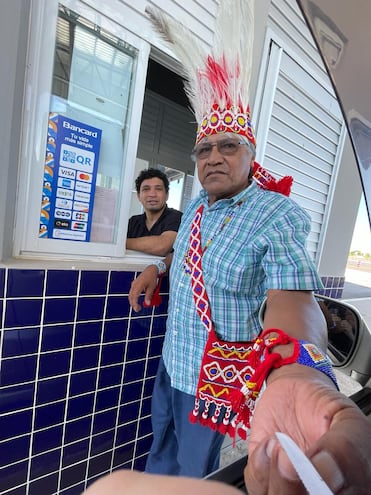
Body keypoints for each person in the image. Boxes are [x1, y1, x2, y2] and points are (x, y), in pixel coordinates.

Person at [84, 1, 371, 493]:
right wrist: (161, 267)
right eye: (204, 148)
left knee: (195, 472)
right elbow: (191, 254)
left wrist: (296, 371)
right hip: (174, 359)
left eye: (228, 146)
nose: (213, 157)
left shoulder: (277, 215)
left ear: (250, 154)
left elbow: (292, 296)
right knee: (160, 451)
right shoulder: (196, 207)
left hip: (219, 378)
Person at [126, 168, 182, 256]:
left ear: (167, 195)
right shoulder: (133, 222)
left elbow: (163, 246)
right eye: (146, 189)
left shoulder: (176, 217)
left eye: (158, 189)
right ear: (138, 196)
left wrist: (122, 243)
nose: (152, 194)